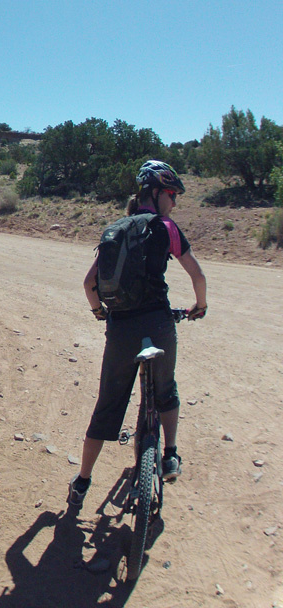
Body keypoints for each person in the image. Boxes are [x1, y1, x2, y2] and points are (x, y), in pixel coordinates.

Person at [68, 160, 207, 507]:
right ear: (157, 193)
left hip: (121, 330)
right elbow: (197, 276)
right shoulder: (166, 227)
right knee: (166, 389)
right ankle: (170, 454)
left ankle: (82, 481)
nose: (174, 202)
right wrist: (199, 305)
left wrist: (101, 313)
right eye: (172, 195)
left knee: (108, 405)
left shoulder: (114, 229)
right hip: (158, 324)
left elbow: (89, 284)